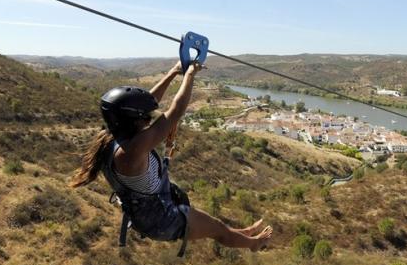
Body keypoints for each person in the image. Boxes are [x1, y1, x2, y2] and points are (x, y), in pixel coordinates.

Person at [69, 60, 272, 254]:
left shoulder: (113, 136)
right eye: (144, 117)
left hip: (156, 211)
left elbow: (147, 104)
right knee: (218, 231)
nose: (148, 118)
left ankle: (244, 234)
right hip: (164, 221)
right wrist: (190, 74)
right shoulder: (131, 151)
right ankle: (252, 244)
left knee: (216, 226)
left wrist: (173, 72)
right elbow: (175, 111)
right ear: (133, 120)